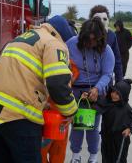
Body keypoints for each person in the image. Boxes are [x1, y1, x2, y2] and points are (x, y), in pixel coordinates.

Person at [0, 15, 78, 163]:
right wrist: (71, 111)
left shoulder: (21, 38)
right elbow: (58, 84)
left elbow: (18, 75)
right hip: (19, 115)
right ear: (62, 36)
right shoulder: (54, 43)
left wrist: (41, 102)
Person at [67, 17, 115, 163]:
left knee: (92, 128)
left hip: (95, 94)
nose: (90, 43)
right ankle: (75, 155)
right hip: (75, 93)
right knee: (77, 126)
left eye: (94, 40)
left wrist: (97, 88)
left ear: (100, 38)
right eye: (88, 39)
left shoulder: (106, 50)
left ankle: (93, 156)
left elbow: (107, 74)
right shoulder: (70, 44)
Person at [41, 23, 79, 163]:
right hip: (57, 114)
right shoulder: (61, 57)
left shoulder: (46, 52)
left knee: (49, 151)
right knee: (52, 151)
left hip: (52, 114)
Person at [97, 79, 132, 163]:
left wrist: (129, 129)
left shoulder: (126, 108)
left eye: (117, 94)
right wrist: (88, 97)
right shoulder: (107, 102)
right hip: (106, 138)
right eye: (113, 92)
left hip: (120, 140)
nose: (114, 95)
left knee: (119, 159)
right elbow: (96, 102)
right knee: (106, 157)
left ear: (123, 95)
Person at [89, 5, 124, 83]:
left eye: (104, 19)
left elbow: (117, 60)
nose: (101, 21)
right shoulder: (85, 35)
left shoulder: (111, 36)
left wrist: (120, 82)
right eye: (98, 19)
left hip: (107, 80)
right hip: (88, 82)